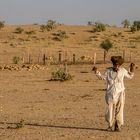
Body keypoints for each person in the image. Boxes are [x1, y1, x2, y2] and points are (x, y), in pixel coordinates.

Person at [92, 56, 135, 132]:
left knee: (119, 108)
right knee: (110, 109)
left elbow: (130, 76)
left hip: (120, 92)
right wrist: (97, 72)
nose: (116, 66)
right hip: (110, 92)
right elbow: (102, 77)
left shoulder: (123, 70)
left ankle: (118, 125)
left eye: (118, 65)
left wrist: (131, 69)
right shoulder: (108, 71)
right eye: (115, 64)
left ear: (120, 65)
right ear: (113, 64)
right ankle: (110, 125)